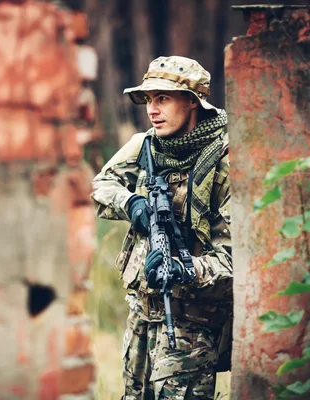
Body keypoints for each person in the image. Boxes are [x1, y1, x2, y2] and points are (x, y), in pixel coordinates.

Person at [91, 56, 233, 400]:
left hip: (191, 321)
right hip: (142, 312)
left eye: (163, 98)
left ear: (192, 101)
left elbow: (235, 261)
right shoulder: (146, 144)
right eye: (149, 100)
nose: (152, 110)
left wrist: (186, 269)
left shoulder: (225, 160)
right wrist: (133, 204)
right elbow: (100, 185)